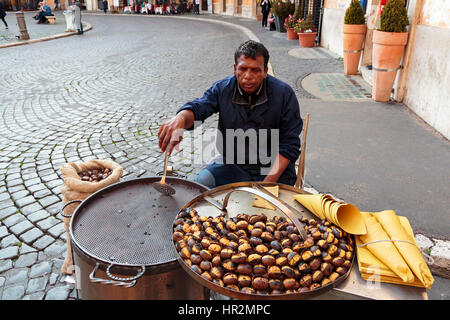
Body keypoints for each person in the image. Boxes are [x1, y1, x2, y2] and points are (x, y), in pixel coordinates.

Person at [157, 41, 302, 188]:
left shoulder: (284, 94)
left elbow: (290, 144)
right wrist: (181, 118)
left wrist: (266, 184)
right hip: (232, 165)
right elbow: (200, 107)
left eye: (255, 70)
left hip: (274, 169)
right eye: (243, 69)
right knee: (201, 183)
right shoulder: (223, 89)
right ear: (235, 69)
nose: (247, 76)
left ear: (265, 71)